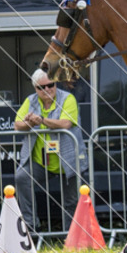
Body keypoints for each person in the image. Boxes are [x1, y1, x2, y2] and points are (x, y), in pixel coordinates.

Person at [13, 69, 83, 236]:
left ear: (55, 84)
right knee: (22, 177)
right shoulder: (30, 101)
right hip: (41, 161)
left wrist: (42, 120)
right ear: (35, 88)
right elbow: (17, 125)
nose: (47, 90)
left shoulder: (68, 98)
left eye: (50, 85)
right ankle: (31, 227)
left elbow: (66, 123)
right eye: (41, 87)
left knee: (71, 202)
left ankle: (70, 238)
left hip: (68, 160)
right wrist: (29, 123)